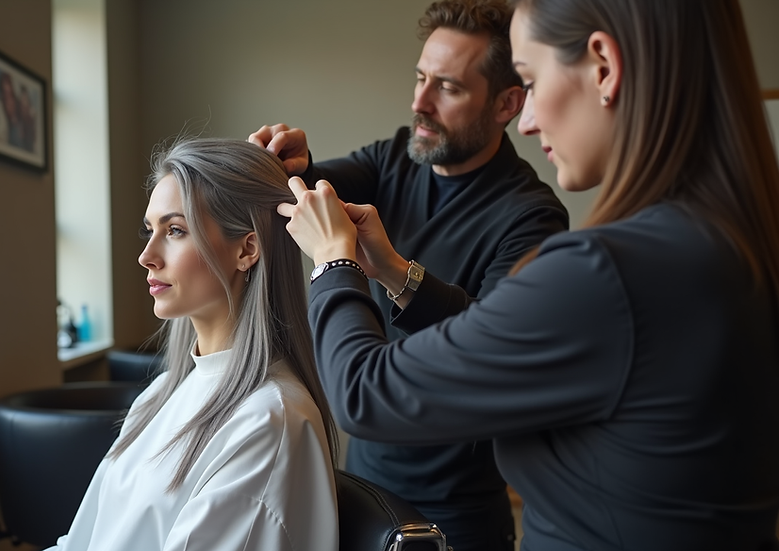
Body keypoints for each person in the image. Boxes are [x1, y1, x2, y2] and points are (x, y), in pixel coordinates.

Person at [276, 0, 779, 548]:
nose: (532, 120)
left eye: (533, 82)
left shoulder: (599, 269)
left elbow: (363, 392)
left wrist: (335, 261)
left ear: (604, 68)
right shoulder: (731, 245)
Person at [249, 1, 567, 548]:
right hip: (358, 487)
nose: (419, 102)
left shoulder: (532, 216)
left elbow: (492, 342)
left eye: (447, 87)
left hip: (458, 512)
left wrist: (396, 273)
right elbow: (319, 186)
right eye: (420, 78)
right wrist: (294, 166)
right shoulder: (394, 157)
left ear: (507, 103)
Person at [46, 138, 339, 551]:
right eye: (151, 230)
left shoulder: (267, 423)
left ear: (247, 248)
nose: (147, 256)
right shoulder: (160, 395)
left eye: (176, 230)